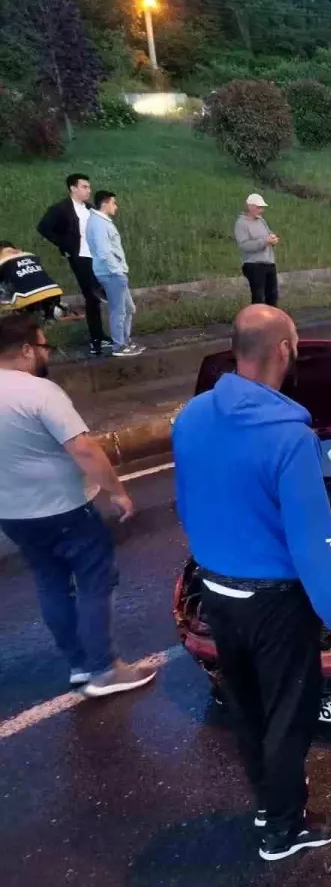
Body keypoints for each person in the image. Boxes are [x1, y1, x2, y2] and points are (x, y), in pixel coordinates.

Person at [172, 305, 331, 862]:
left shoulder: (192, 416)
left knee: (248, 708)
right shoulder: (289, 436)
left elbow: (187, 502)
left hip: (219, 593)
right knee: (287, 714)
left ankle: (266, 802)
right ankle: (283, 829)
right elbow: (311, 537)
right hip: (275, 603)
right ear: (283, 350)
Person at [0, 313, 154, 696]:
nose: (46, 354)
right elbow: (83, 449)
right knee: (93, 582)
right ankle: (105, 669)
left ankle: (79, 665)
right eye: (43, 346)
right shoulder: (40, 393)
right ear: (25, 350)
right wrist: (117, 491)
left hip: (13, 514)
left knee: (50, 583)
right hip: (66, 509)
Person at [37, 173, 111, 356]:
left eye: (89, 187)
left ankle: (100, 335)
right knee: (92, 296)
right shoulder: (61, 208)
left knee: (100, 294)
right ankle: (96, 340)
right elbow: (44, 227)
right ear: (73, 188)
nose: (88, 190)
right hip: (80, 257)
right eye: (85, 187)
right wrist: (64, 244)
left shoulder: (89, 208)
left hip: (96, 256)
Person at [85, 191, 143, 358]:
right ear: (105, 204)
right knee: (119, 310)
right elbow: (104, 252)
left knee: (129, 308)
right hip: (111, 274)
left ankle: (125, 340)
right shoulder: (99, 224)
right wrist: (117, 271)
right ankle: (119, 346)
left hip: (115, 272)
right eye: (113, 203)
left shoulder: (100, 222)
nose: (115, 206)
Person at [235, 194, 281, 307]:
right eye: (259, 207)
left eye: (262, 207)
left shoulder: (261, 221)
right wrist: (264, 242)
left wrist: (273, 239)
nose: (262, 210)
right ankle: (257, 321)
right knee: (259, 297)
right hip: (254, 264)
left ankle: (271, 321)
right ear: (250, 207)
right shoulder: (241, 223)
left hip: (269, 263)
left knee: (272, 296)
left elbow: (268, 234)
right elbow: (244, 245)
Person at [0, 241, 63, 321]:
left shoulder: (2, 260)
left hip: (28, 297)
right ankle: (51, 310)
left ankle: (14, 315)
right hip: (53, 291)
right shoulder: (30, 255)